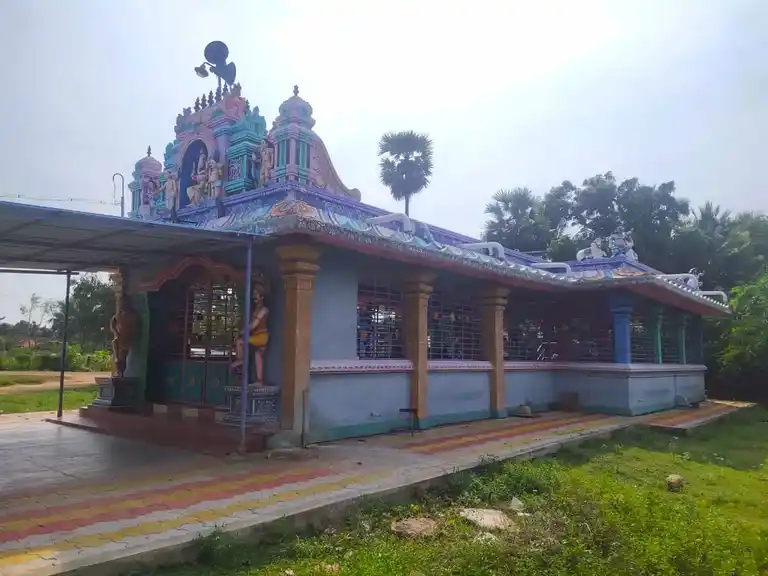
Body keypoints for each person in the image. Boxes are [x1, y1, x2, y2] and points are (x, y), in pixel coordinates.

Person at [232, 288, 269, 384]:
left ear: (262, 296)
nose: (254, 296)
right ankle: (259, 380)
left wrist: (244, 331)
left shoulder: (264, 309)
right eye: (254, 294)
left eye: (256, 294)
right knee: (258, 355)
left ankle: (241, 360)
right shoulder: (256, 309)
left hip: (261, 336)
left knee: (240, 342)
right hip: (256, 336)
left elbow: (254, 324)